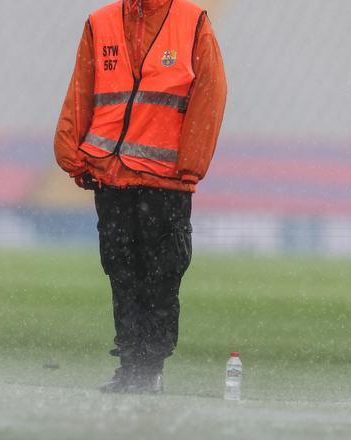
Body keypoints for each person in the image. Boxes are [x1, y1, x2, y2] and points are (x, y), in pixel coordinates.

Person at [54, 0, 226, 394]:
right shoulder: (100, 24)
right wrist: (72, 155)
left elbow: (211, 92)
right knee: (123, 273)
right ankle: (132, 366)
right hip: (112, 176)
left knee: (161, 275)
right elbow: (83, 89)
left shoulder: (192, 21)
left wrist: (190, 165)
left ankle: (149, 368)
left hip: (164, 180)